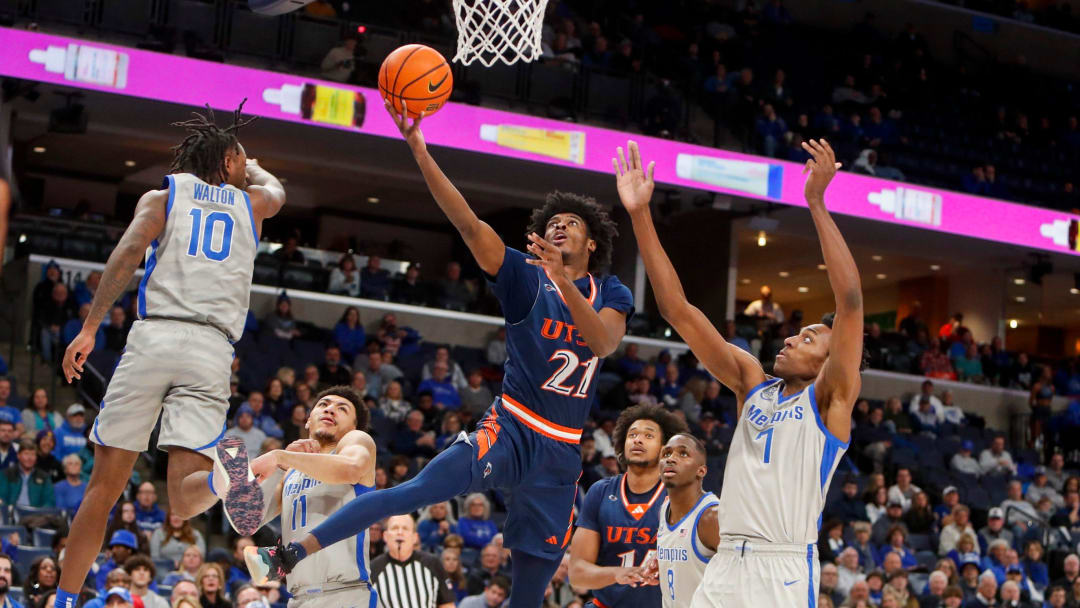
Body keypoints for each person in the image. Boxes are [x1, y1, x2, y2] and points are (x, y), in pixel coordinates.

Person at [247, 96, 633, 608]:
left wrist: (565, 284)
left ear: (591, 246)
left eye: (572, 224)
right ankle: (288, 554)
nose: (560, 226)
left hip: (562, 449)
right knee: (415, 492)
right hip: (512, 425)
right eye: (553, 221)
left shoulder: (609, 291)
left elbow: (604, 342)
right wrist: (419, 148)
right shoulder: (522, 275)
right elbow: (469, 225)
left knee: (529, 595)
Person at [56, 102, 286, 608]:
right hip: (211, 350)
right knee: (184, 498)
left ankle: (64, 601)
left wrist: (91, 327)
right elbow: (278, 191)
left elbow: (127, 253)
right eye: (240, 156)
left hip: (155, 337)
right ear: (229, 162)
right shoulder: (252, 204)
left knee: (103, 490)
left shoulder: (164, 196)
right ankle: (234, 475)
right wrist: (255, 168)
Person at [619, 139, 864, 608]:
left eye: (809, 339)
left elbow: (849, 300)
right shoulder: (752, 383)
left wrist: (816, 202)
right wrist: (641, 216)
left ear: (826, 365)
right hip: (727, 561)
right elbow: (678, 310)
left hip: (783, 567)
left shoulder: (830, 399)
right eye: (796, 333)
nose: (791, 338)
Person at [245, 386, 376, 607]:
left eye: (342, 408)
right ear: (307, 420)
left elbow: (350, 468)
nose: (331, 410)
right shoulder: (291, 470)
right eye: (323, 405)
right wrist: (279, 467)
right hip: (299, 597)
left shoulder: (358, 441)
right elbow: (250, 520)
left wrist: (282, 456)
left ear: (353, 427)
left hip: (346, 594)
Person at [570, 404, 686, 608]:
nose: (638, 440)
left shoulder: (680, 496)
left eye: (648, 436)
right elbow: (577, 574)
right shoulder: (600, 492)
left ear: (665, 450)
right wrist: (618, 573)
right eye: (632, 435)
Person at [650, 434, 719, 608]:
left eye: (683, 454)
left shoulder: (712, 516)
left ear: (701, 471)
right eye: (666, 454)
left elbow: (745, 574)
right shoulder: (664, 510)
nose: (671, 459)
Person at [368, 514, 455, 608]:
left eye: (405, 528)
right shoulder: (373, 568)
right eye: (395, 528)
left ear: (415, 537)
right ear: (385, 536)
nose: (400, 532)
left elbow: (447, 604)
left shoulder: (432, 563)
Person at [0, 437, 55, 508]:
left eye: (32, 454)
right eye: (26, 454)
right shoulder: (6, 474)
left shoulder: (44, 477)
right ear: (18, 455)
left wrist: (40, 515)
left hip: (36, 516)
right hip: (11, 515)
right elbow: (2, 497)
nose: (29, 458)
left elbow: (49, 501)